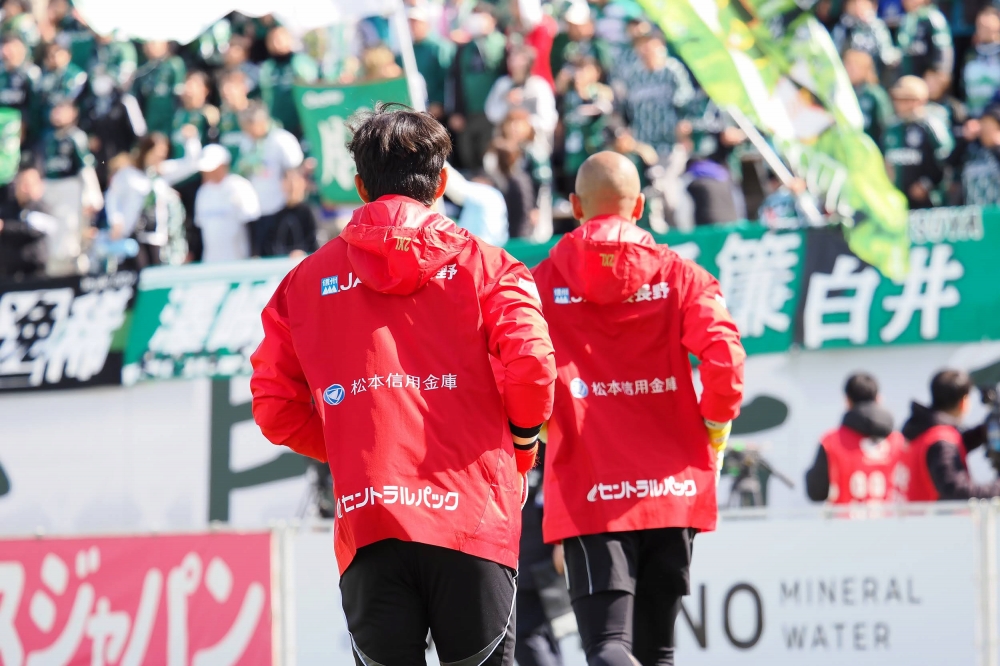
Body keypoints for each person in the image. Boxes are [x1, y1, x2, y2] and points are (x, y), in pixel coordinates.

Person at [249, 103, 556, 666]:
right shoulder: (492, 267)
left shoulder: (302, 283)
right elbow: (533, 364)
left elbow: (274, 407)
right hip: (473, 514)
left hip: (370, 518)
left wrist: (359, 447)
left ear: (361, 187)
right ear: (441, 184)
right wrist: (520, 447)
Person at [531, 152, 745, 666]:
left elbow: (517, 370)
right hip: (671, 491)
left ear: (575, 206)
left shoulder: (538, 283)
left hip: (590, 488)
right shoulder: (682, 276)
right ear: (640, 206)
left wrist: (537, 430)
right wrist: (714, 433)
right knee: (656, 655)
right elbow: (726, 362)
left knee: (607, 648)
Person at [804, 372, 905, 503]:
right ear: (879, 399)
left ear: (847, 401)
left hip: (847, 516)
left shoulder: (831, 441)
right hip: (891, 515)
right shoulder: (900, 442)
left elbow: (816, 492)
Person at [901, 369, 995, 501]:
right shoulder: (941, 441)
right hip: (933, 514)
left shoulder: (925, 429)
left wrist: (986, 429)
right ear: (963, 402)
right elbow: (956, 490)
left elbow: (960, 443)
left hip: (915, 511)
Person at [38, 99, 102, 275]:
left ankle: (73, 271)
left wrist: (92, 196)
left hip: (70, 189)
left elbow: (86, 168)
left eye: (62, 108)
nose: (57, 112)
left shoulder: (76, 137)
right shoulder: (48, 137)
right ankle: (52, 271)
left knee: (70, 231)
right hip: (50, 189)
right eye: (55, 108)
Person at [234, 102, 303, 257]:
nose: (247, 131)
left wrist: (292, 204)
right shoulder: (247, 141)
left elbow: (294, 173)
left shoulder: (282, 139)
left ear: (260, 122)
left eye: (248, 127)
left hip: (280, 208)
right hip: (256, 210)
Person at [448, 4, 507, 169]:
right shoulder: (464, 48)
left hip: (493, 113)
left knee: (488, 157)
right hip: (469, 113)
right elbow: (456, 80)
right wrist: (457, 111)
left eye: (481, 16)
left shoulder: (502, 43)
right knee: (468, 154)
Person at [619, 33, 696, 158]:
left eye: (652, 47)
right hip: (642, 144)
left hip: (671, 144)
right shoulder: (634, 75)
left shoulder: (672, 70)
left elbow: (687, 100)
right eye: (644, 48)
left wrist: (685, 128)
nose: (647, 52)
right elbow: (625, 108)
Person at [883, 75, 953, 209]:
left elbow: (946, 159)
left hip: (930, 204)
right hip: (897, 203)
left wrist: (927, 184)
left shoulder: (931, 125)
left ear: (920, 100)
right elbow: (886, 161)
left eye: (905, 99)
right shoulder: (892, 128)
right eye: (897, 99)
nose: (900, 104)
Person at [193, 144, 259, 263]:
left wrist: (254, 256)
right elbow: (200, 228)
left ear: (223, 166)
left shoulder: (240, 186)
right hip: (210, 263)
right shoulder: (202, 192)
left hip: (238, 261)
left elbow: (253, 224)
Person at [485, 45, 558, 151]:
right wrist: (506, 101)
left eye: (520, 60)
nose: (515, 63)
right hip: (508, 147)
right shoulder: (503, 84)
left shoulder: (539, 86)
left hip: (534, 146)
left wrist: (523, 123)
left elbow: (548, 120)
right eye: (513, 59)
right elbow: (492, 114)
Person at [257, 25, 318, 139]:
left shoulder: (301, 62)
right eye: (272, 40)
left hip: (302, 124)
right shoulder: (267, 68)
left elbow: (314, 87)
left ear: (289, 39)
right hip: (276, 127)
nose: (276, 44)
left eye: (279, 39)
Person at [0, 168, 53, 278]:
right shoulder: (8, 208)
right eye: (21, 184)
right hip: (9, 272)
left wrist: (5, 227)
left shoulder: (42, 207)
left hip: (35, 270)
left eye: (29, 184)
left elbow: (33, 229)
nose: (24, 188)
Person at [406, 5, 454, 120]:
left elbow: (448, 78)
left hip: (440, 111)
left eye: (417, 23)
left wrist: (439, 101)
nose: (413, 27)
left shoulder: (440, 47)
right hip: (418, 110)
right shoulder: (407, 52)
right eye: (411, 23)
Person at [831, 0, 901, 75]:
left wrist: (870, 23)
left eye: (863, 2)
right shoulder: (842, 28)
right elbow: (835, 55)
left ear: (873, 6)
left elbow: (887, 54)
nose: (858, 6)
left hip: (874, 73)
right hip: (848, 74)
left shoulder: (878, 26)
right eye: (854, 3)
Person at [133, 40, 186, 135]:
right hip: (150, 119)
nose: (149, 46)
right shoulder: (144, 68)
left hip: (169, 119)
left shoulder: (174, 64)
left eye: (153, 43)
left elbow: (179, 95)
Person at [843, 49, 893, 146]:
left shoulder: (875, 94)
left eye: (854, 66)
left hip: (869, 145)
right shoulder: (840, 93)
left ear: (865, 69)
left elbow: (885, 124)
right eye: (847, 65)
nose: (849, 70)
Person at [896, 0, 953, 80]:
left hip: (929, 79)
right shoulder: (906, 19)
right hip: (910, 77)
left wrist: (940, 74)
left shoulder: (933, 17)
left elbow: (944, 49)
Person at [270, 168, 318, 257]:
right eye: (288, 182)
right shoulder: (277, 216)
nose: (292, 186)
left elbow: (315, 244)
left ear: (303, 183)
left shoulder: (309, 213)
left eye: (295, 181)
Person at [963, 7, 1000, 120]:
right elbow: (962, 88)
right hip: (972, 120)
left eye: (988, 26)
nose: (984, 29)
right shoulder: (969, 54)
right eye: (980, 26)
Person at [962, 103, 1000, 205]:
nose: (985, 130)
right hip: (975, 210)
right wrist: (964, 140)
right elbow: (949, 163)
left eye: (990, 126)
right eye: (983, 125)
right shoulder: (972, 150)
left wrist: (997, 147)